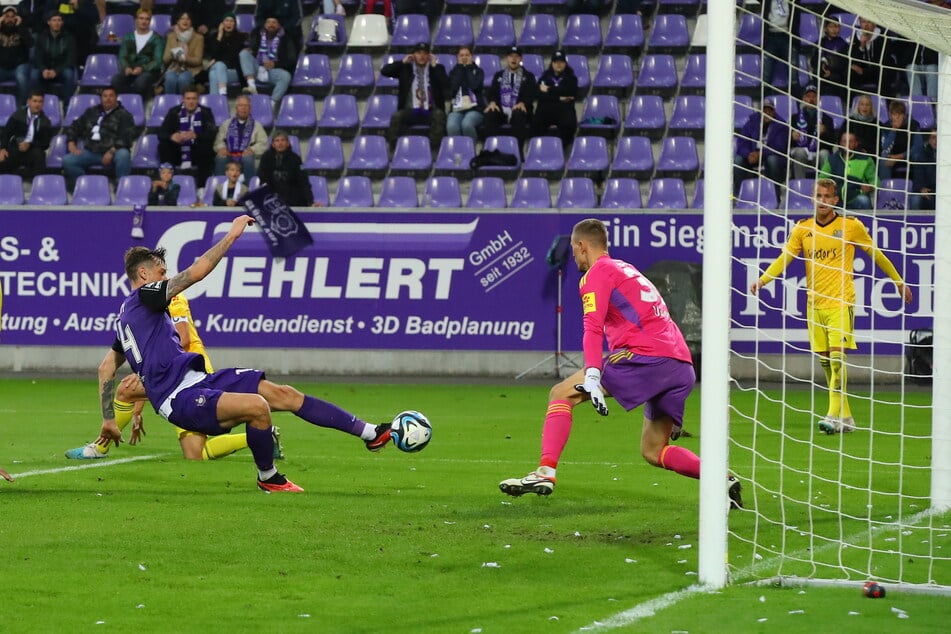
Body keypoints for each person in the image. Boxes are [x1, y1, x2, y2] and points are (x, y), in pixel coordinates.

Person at [97, 222, 395, 492]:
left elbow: (106, 367)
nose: (167, 278)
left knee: (282, 394)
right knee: (257, 407)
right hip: (179, 399)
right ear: (144, 275)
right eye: (162, 273)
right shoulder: (146, 295)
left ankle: (371, 433)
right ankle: (269, 477)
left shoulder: (127, 317)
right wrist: (233, 234)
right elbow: (198, 271)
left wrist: (109, 418)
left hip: (200, 380)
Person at [499, 218, 744, 511]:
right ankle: (723, 480)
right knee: (654, 451)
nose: (575, 257)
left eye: (575, 251)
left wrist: (592, 373)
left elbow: (592, 327)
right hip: (680, 364)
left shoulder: (595, 274)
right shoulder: (626, 268)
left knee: (561, 393)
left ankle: (544, 472)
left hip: (645, 357)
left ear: (581, 246)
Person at [751, 178, 913, 434]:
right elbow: (785, 259)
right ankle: (846, 417)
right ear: (812, 198)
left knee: (838, 359)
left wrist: (898, 281)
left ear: (835, 200)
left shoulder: (850, 227)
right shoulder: (802, 230)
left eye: (828, 196)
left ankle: (831, 414)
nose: (823, 200)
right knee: (826, 363)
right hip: (814, 305)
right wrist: (763, 279)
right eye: (819, 195)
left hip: (841, 301)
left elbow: (877, 255)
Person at [67, 290, 283, 462]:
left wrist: (145, 373)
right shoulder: (146, 302)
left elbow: (184, 336)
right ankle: (265, 435)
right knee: (128, 392)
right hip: (167, 374)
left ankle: (99, 448)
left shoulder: (173, 297)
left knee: (126, 390)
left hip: (188, 373)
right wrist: (139, 405)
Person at [62, 85, 135, 191]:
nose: (108, 98)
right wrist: (71, 142)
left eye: (111, 96)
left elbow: (127, 137)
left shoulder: (125, 115)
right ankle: (86, 186)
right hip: (91, 151)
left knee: (124, 155)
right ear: (101, 98)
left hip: (114, 152)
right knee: (68, 160)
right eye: (105, 96)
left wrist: (112, 151)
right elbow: (74, 126)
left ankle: (121, 188)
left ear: (116, 98)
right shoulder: (91, 112)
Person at [380, 41, 449, 152]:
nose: (421, 56)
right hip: (410, 110)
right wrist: (402, 62)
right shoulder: (405, 68)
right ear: (413, 55)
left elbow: (446, 84)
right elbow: (385, 71)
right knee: (396, 117)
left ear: (429, 55)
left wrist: (435, 66)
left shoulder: (437, 68)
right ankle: (395, 149)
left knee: (439, 115)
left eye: (425, 53)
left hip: (429, 109)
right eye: (418, 53)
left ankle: (433, 150)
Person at [483, 46, 537, 155]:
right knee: (490, 114)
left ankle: (518, 152)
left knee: (518, 113)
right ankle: (490, 151)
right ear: (507, 58)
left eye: (517, 56)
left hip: (520, 110)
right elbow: (492, 92)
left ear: (521, 59)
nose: (514, 59)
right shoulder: (499, 75)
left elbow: (531, 94)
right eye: (511, 56)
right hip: (502, 110)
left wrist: (523, 103)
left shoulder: (529, 76)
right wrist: (492, 102)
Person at [157, 86, 216, 184]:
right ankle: (168, 184)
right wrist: (172, 136)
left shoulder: (206, 112)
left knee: (206, 147)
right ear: (183, 99)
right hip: (178, 149)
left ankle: (203, 186)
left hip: (196, 149)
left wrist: (196, 135)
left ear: (198, 99)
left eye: (194, 98)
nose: (191, 102)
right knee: (163, 146)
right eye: (188, 99)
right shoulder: (174, 111)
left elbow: (212, 133)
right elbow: (162, 133)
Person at [733, 101, 789, 195]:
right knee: (738, 160)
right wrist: (748, 154)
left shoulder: (781, 125)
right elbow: (742, 142)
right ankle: (738, 194)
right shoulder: (751, 122)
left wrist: (761, 153)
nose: (767, 113)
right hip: (753, 155)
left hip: (771, 156)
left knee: (772, 160)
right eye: (765, 110)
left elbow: (779, 147)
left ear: (774, 112)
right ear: (760, 111)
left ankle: (775, 194)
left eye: (770, 110)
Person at [239, 15, 295, 106]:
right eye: (268, 22)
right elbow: (252, 48)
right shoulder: (257, 34)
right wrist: (250, 49)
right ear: (264, 25)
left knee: (286, 76)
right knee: (243, 53)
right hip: (256, 68)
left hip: (273, 70)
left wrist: (275, 64)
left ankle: (272, 105)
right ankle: (251, 86)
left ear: (279, 25)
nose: (271, 25)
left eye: (274, 22)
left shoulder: (286, 38)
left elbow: (291, 59)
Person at [213, 95, 268, 182]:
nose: (243, 108)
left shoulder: (257, 125)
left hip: (247, 157)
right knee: (221, 157)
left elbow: (263, 143)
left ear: (250, 109)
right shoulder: (226, 124)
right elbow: (219, 141)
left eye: (246, 106)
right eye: (241, 105)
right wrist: (222, 148)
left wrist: (252, 149)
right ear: (236, 108)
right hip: (229, 155)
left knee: (248, 158)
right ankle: (219, 187)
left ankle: (250, 188)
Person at [112, 8, 165, 99]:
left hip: (149, 71)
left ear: (150, 21)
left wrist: (142, 68)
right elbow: (123, 55)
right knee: (116, 80)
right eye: (141, 18)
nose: (144, 21)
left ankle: (137, 101)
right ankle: (127, 100)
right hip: (131, 69)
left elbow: (158, 61)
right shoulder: (128, 36)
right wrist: (127, 66)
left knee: (141, 82)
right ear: (136, 20)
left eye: (147, 19)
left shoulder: (157, 38)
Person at [818, 130, 877, 210]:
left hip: (856, 196)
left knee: (864, 200)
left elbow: (875, 181)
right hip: (835, 198)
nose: (847, 144)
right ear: (840, 143)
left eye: (850, 141)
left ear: (856, 143)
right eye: (844, 141)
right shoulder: (831, 159)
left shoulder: (866, 159)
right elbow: (821, 178)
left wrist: (870, 187)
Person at [530, 50, 578, 149]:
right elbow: (538, 94)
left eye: (561, 62)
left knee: (569, 125)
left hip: (564, 111)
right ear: (552, 63)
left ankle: (560, 150)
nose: (559, 64)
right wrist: (559, 97)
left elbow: (571, 93)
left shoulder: (571, 78)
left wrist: (549, 89)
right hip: (546, 111)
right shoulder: (544, 77)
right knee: (536, 123)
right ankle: (540, 149)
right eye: (556, 62)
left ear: (565, 63)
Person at [0, 90, 53, 179]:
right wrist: (2, 148)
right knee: (3, 158)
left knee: (39, 156)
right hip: (16, 148)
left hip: (33, 150)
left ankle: (37, 188)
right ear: (29, 101)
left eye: (40, 101)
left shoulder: (45, 121)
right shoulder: (18, 115)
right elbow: (6, 133)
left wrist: (30, 144)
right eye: (35, 101)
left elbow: (45, 143)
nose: (37, 104)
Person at [257, 130, 318, 207]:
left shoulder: (295, 159)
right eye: (277, 140)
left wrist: (310, 201)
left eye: (283, 140)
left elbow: (303, 181)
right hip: (272, 199)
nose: (280, 143)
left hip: (293, 200)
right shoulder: (266, 158)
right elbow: (263, 180)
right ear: (273, 144)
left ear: (288, 143)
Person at [789, 85, 836, 181]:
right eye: (808, 96)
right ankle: (799, 184)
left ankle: (824, 184)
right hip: (801, 152)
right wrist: (791, 136)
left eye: (814, 97)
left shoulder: (827, 119)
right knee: (799, 152)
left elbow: (832, 143)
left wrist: (824, 132)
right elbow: (786, 142)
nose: (811, 99)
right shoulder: (794, 118)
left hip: (818, 152)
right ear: (803, 98)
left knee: (824, 154)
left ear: (818, 99)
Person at [30, 10, 77, 103]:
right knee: (34, 75)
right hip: (45, 69)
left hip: (61, 69)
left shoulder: (69, 37)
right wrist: (43, 69)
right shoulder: (41, 37)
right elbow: (37, 56)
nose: (57, 23)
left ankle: (67, 104)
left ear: (62, 22)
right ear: (49, 22)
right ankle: (35, 102)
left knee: (69, 74)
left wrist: (56, 71)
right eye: (54, 20)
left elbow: (71, 59)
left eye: (59, 20)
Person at [446, 45, 484, 142]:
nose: (464, 58)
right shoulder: (454, 72)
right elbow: (453, 88)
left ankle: (472, 150)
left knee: (466, 124)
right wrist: (460, 68)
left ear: (472, 56)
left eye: (467, 55)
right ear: (457, 57)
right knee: (451, 126)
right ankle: (457, 152)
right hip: (457, 108)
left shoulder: (478, 71)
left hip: (475, 108)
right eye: (461, 55)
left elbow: (474, 86)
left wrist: (468, 68)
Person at [877, 99, 922, 181]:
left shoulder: (913, 125)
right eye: (894, 114)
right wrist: (893, 131)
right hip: (893, 155)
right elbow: (885, 148)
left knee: (918, 157)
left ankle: (917, 189)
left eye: (899, 114)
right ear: (890, 115)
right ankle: (885, 190)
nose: (897, 117)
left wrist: (900, 156)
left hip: (909, 155)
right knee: (883, 160)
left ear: (904, 115)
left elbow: (917, 147)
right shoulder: (886, 126)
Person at [162, 11, 204, 95]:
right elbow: (165, 59)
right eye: (182, 18)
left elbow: (198, 60)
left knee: (183, 78)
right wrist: (174, 55)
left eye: (188, 19)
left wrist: (185, 58)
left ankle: (184, 104)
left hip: (191, 70)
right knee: (170, 78)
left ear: (191, 22)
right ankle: (171, 105)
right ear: (177, 21)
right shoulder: (171, 36)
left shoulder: (198, 37)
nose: (185, 21)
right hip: (173, 68)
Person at [206, 12, 247, 96]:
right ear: (222, 23)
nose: (229, 23)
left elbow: (233, 57)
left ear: (235, 24)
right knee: (217, 68)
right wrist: (220, 36)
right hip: (220, 69)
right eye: (227, 20)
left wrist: (216, 59)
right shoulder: (214, 37)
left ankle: (220, 96)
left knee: (215, 70)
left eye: (231, 21)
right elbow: (213, 53)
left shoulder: (239, 38)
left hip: (233, 71)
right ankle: (220, 95)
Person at [0, 5, 33, 106]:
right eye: (7, 16)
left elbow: (30, 43)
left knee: (21, 78)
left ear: (16, 18)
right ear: (2, 18)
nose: (10, 19)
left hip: (19, 66)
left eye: (12, 16)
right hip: (2, 67)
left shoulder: (22, 29)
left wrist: (20, 27)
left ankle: (21, 107)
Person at [812, 16, 849, 100]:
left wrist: (831, 71)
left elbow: (844, 63)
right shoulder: (820, 43)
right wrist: (822, 67)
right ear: (825, 28)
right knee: (816, 73)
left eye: (836, 26)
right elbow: (813, 61)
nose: (834, 29)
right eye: (831, 26)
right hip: (822, 73)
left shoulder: (843, 44)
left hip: (837, 75)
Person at [909, 127, 936, 210]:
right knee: (915, 199)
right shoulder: (921, 157)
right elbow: (918, 178)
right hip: (929, 192)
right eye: (934, 138)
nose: (937, 141)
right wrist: (921, 189)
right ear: (929, 140)